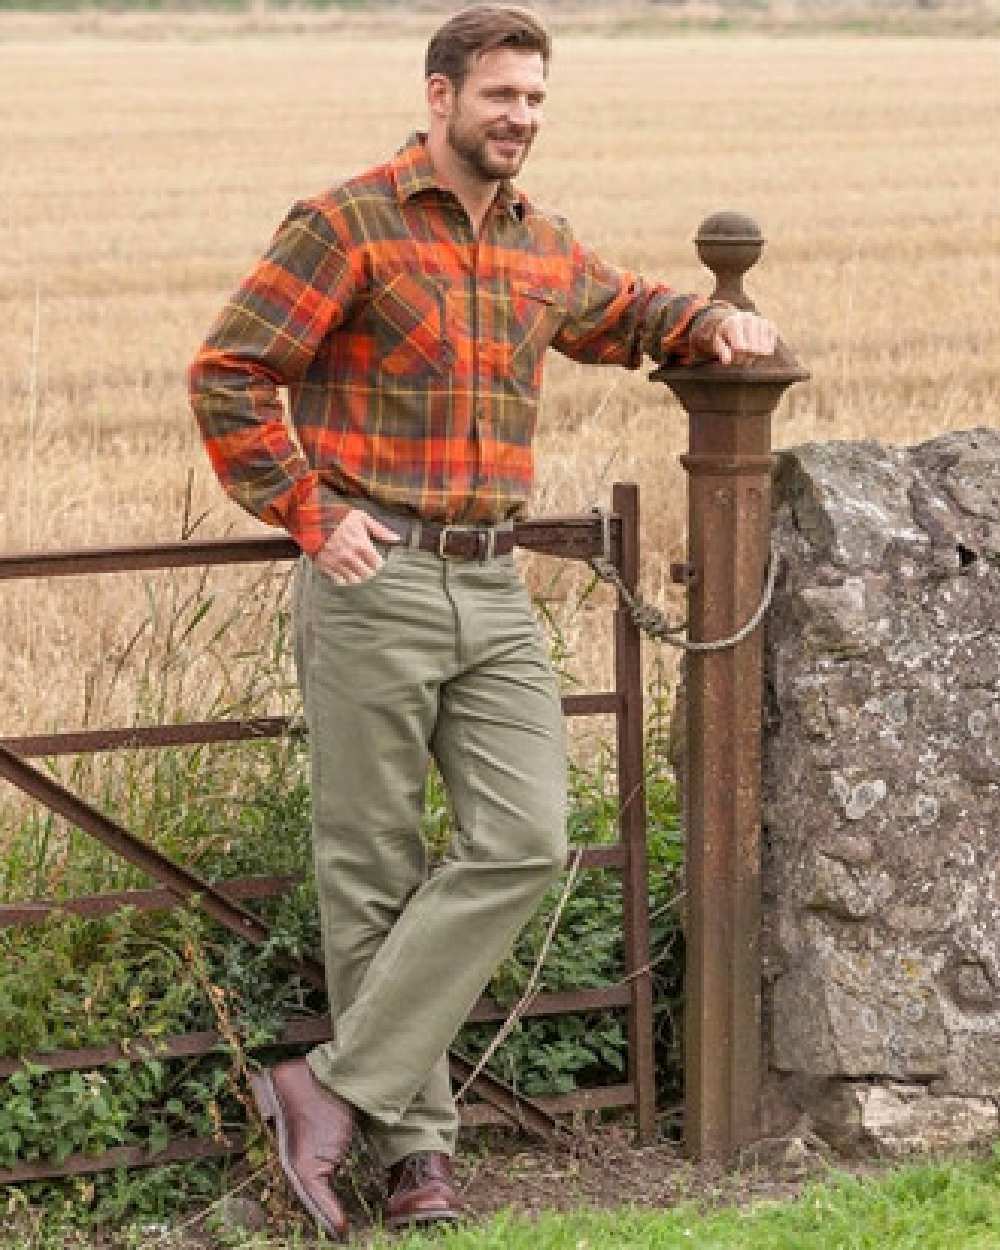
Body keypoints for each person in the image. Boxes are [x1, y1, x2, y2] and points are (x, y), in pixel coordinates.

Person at [188, 4, 776, 1239]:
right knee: (373, 871)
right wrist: (305, 507)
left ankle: (330, 1086)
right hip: (376, 576)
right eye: (502, 95)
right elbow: (231, 370)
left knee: (522, 839)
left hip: (494, 583)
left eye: (536, 100)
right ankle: (417, 1156)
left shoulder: (537, 242)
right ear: (441, 94)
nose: (520, 118)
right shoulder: (347, 221)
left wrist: (710, 322)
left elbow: (626, 313)